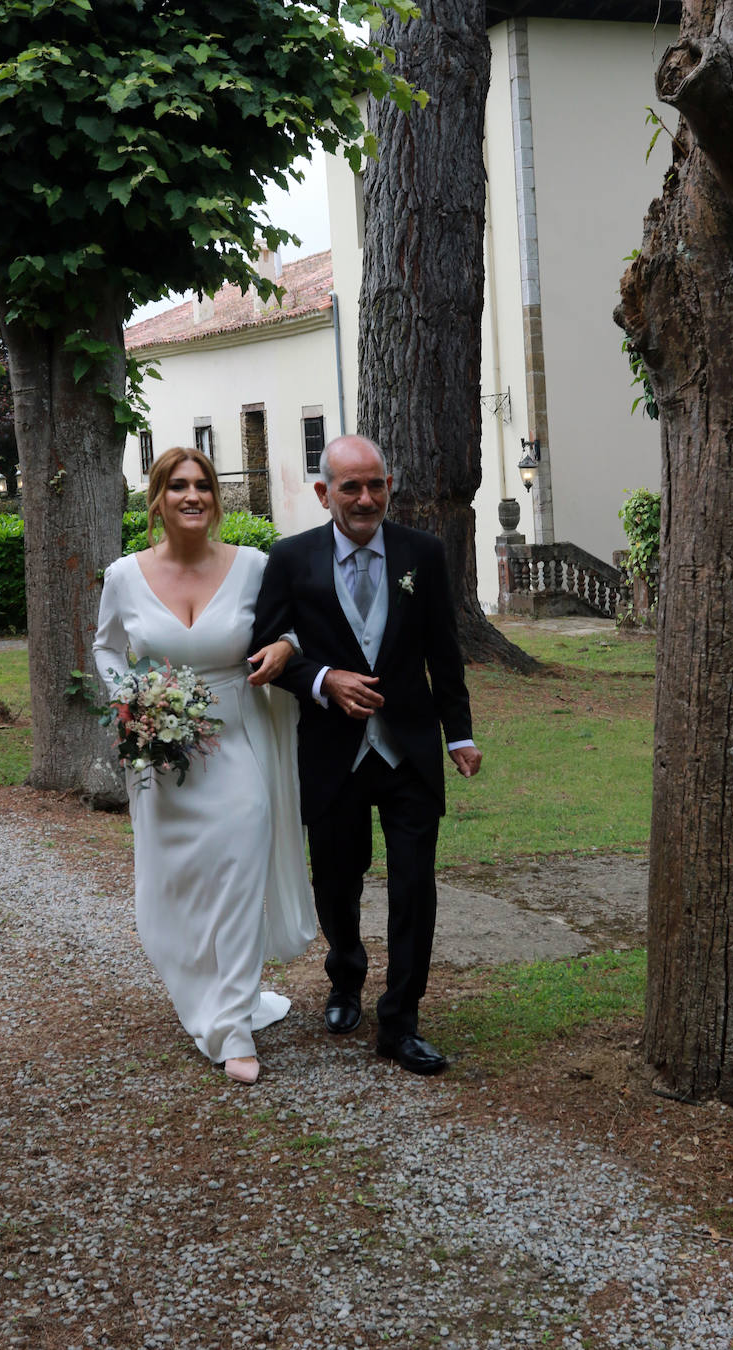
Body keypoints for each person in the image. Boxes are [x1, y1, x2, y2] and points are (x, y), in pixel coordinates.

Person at [253, 435, 482, 1076]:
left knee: (415, 887)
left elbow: (444, 650)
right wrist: (324, 679)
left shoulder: (423, 554)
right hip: (332, 754)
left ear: (389, 487)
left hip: (407, 749)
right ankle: (345, 975)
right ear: (324, 493)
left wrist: (458, 734)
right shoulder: (291, 559)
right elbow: (267, 653)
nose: (365, 498)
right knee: (336, 879)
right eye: (350, 487)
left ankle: (401, 1021)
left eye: (376, 484)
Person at [93, 447, 315, 1086]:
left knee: (239, 874)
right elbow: (107, 648)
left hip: (238, 740)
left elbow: (295, 630)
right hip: (162, 753)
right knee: (174, 889)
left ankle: (233, 1028)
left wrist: (280, 648)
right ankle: (207, 993)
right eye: (179, 487)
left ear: (216, 500)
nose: (193, 497)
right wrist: (131, 699)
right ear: (157, 499)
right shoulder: (124, 576)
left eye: (204, 487)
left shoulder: (253, 567)